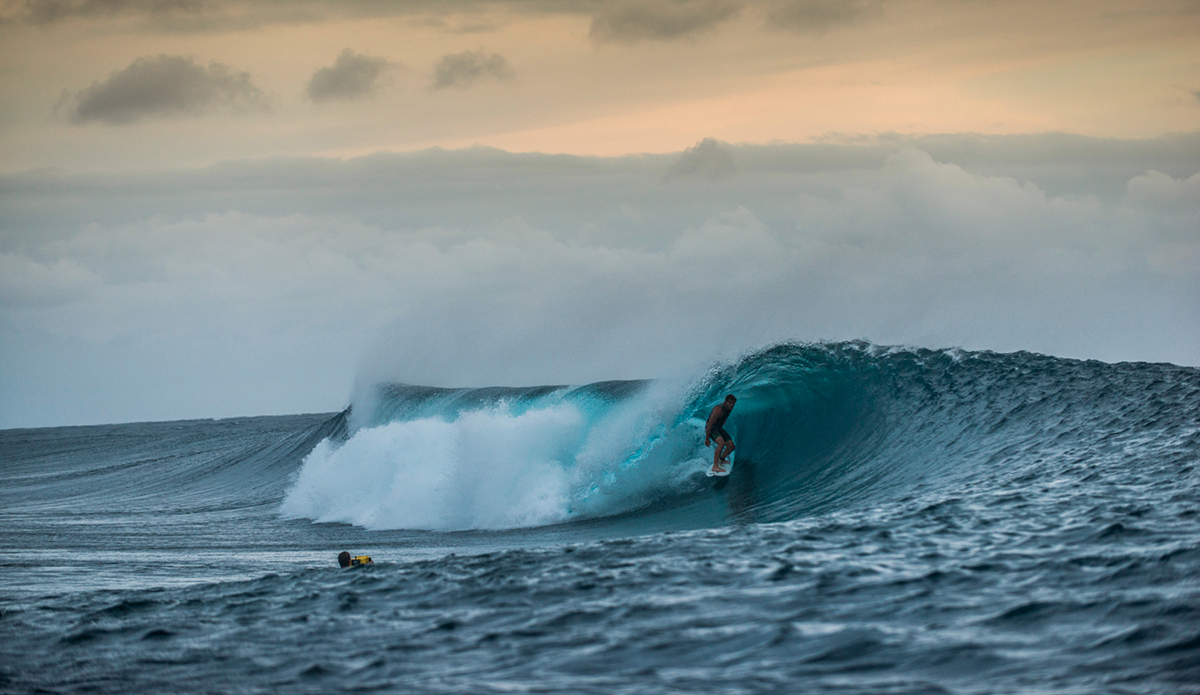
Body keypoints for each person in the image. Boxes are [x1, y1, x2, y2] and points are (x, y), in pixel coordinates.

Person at [705, 394, 736, 474]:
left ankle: (721, 459)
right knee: (721, 443)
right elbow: (709, 424)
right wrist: (707, 438)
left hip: (719, 428)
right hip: (711, 427)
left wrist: (721, 429)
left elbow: (724, 418)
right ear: (725, 402)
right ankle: (715, 466)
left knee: (731, 446)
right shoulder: (718, 410)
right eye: (730, 403)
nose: (732, 404)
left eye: (733, 403)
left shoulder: (729, 408)